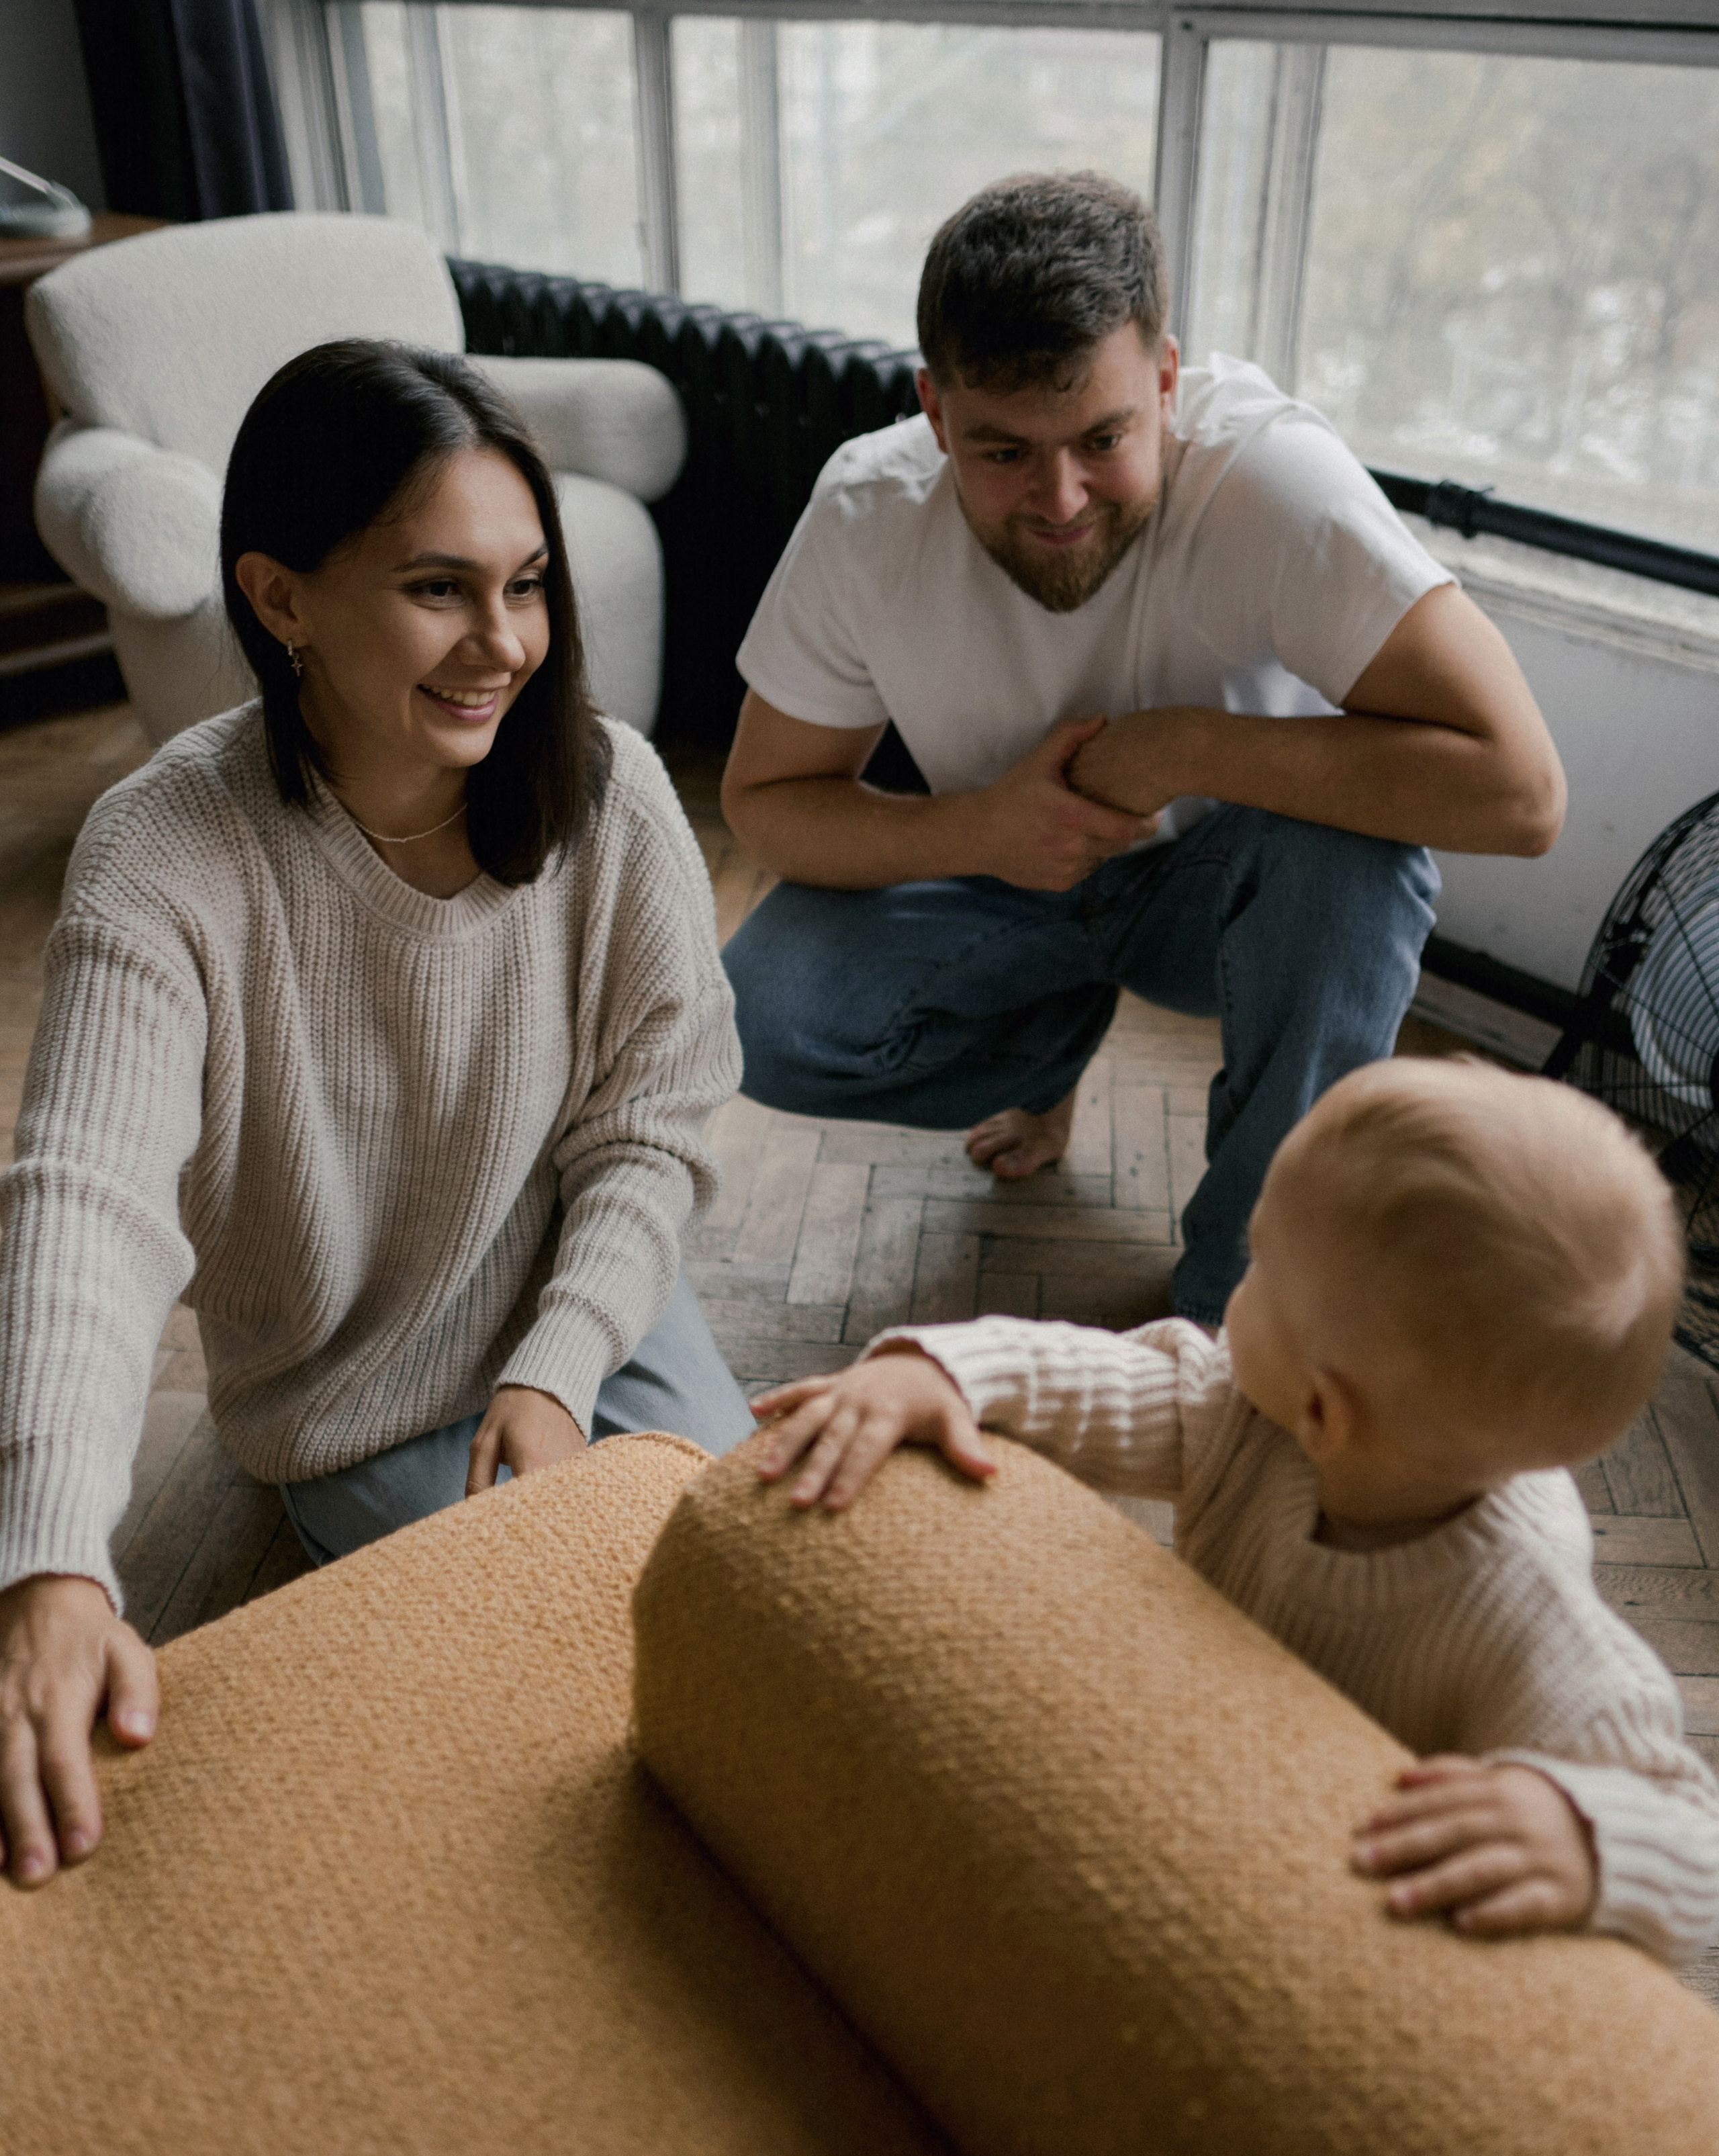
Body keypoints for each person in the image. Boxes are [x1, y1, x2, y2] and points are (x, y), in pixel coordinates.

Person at [0, 341, 752, 1889]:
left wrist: (556, 1361)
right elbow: (86, 1200)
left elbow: (656, 1117)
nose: (506, 642)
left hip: (581, 1302)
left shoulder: (607, 789)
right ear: (280, 599)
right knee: (571, 1702)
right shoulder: (164, 852)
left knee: (763, 1597)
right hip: (354, 1393)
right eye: (438, 587)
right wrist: (54, 1554)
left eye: (527, 582)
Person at [720, 171, 1565, 1327]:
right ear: (932, 407)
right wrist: (983, 830)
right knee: (757, 1015)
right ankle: (1049, 1047)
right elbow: (764, 802)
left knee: (1362, 867)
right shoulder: (867, 512)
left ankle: (1237, 1307)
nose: (1059, 499)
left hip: (1217, 892)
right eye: (1002, 451)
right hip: (1002, 874)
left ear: (1166, 379)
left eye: (1104, 438)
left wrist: (1183, 748)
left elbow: (1523, 793)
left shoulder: (1277, 485)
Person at [748, 1058, 1719, 1965]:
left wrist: (1584, 1831)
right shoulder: (1255, 1411)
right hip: (1202, 1757)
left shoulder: (1528, 1622)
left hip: (1321, 1899)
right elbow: (1106, 1379)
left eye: (1256, 1271)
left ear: (1324, 1413)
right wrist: (947, 1370)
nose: (1229, 1296)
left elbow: (1692, 1831)